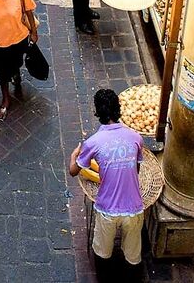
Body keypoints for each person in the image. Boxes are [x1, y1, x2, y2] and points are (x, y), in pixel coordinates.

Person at [69, 89, 144, 282]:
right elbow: (135, 170)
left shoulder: (93, 142)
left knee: (103, 253)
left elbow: (73, 171)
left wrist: (73, 155)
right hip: (134, 208)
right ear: (118, 110)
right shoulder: (136, 138)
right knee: (133, 256)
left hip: (107, 209)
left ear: (98, 112)